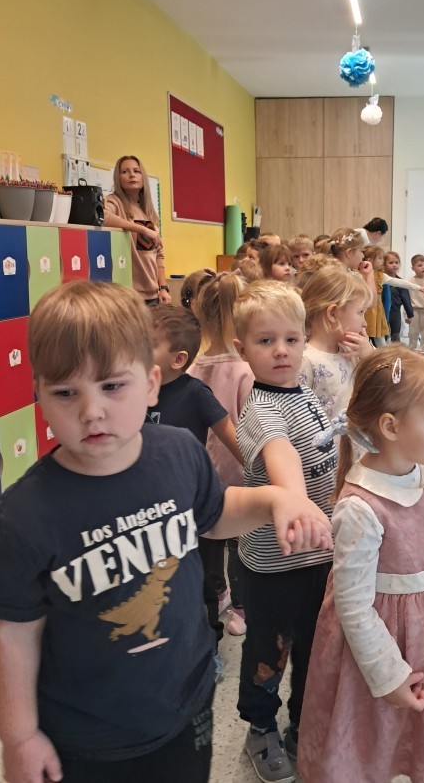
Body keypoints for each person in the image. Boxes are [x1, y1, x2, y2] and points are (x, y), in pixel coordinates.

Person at [0, 281, 332, 783]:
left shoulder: (178, 453)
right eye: (65, 392)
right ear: (39, 394)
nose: (91, 411)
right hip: (84, 734)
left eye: (112, 386)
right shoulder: (23, 517)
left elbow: (215, 514)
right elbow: (13, 634)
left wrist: (274, 500)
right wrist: (18, 736)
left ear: (151, 384)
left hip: (185, 706)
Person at [298, 346, 424, 783]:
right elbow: (354, 607)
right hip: (383, 644)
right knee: (376, 738)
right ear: (390, 426)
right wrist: (389, 676)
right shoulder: (360, 507)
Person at [233, 281, 337, 783]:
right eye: (265, 341)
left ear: (305, 340)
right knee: (269, 651)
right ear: (242, 349)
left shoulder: (305, 394)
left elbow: (327, 446)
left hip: (319, 555)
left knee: (316, 648)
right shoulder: (260, 409)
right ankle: (260, 727)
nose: (281, 351)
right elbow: (283, 456)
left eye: (291, 340)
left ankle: (303, 722)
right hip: (274, 564)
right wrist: (296, 502)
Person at [146, 304, 241, 662]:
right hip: (148, 509)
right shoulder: (134, 390)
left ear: (178, 359)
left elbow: (234, 440)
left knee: (202, 580)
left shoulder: (196, 393)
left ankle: (208, 648)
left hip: (193, 505)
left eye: (148, 344)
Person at [189, 271, 254, 637]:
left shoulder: (191, 367)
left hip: (203, 478)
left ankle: (220, 593)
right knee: (240, 544)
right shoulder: (245, 371)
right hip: (239, 476)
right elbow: (250, 427)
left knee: (210, 542)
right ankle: (240, 606)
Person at [299, 264, 373, 422]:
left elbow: (383, 383)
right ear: (332, 313)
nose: (365, 323)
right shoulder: (306, 360)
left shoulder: (353, 349)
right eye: (360, 312)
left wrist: (369, 356)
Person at [103, 156, 171, 305]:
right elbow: (102, 217)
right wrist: (142, 230)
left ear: (143, 177)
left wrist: (163, 288)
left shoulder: (148, 211)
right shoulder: (114, 202)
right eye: (125, 171)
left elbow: (158, 255)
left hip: (153, 295)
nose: (132, 175)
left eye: (136, 171)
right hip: (126, 295)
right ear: (118, 178)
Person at [364, 246, 424, 348]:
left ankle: (387, 356)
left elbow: (399, 282)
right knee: (365, 338)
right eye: (380, 258)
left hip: (377, 312)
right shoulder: (358, 274)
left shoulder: (380, 276)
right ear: (370, 260)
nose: (382, 261)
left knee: (381, 341)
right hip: (364, 311)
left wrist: (418, 287)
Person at [384, 251, 414, 343]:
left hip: (395, 312)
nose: (394, 265)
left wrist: (410, 314)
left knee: (395, 335)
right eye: (391, 263)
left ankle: (396, 350)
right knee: (383, 336)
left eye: (396, 262)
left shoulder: (401, 282)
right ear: (384, 264)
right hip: (383, 312)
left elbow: (406, 299)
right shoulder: (381, 280)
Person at [407, 254, 424, 351]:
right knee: (413, 331)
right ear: (413, 268)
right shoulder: (410, 281)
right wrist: (407, 314)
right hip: (413, 310)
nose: (423, 267)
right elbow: (407, 299)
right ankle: (412, 347)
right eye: (420, 265)